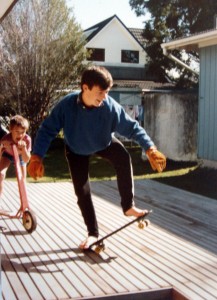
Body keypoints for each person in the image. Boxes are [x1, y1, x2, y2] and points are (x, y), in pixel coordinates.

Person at [27, 66, 166, 249]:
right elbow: (47, 130)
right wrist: (37, 156)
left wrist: (150, 148)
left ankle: (128, 206)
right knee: (82, 191)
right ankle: (92, 233)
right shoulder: (66, 105)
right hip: (76, 148)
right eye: (101, 92)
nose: (104, 97)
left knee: (123, 157)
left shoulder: (110, 107)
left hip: (103, 143)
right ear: (85, 88)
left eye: (107, 92)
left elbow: (132, 128)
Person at [0, 115, 31, 197]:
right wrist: (1, 147)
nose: (20, 135)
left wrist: (24, 149)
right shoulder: (5, 139)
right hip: (8, 154)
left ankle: (24, 205)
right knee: (0, 174)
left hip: (21, 157)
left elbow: (27, 160)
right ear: (11, 130)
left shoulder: (27, 140)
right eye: (17, 132)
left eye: (23, 132)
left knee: (22, 180)